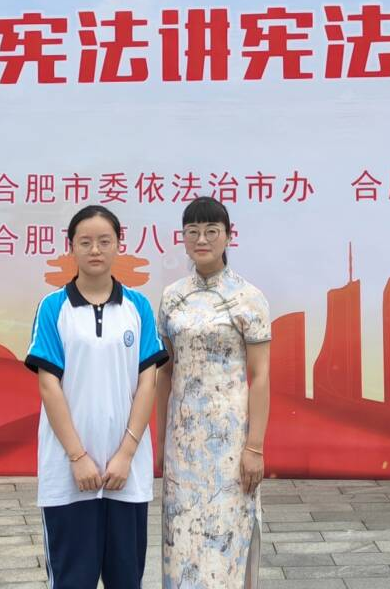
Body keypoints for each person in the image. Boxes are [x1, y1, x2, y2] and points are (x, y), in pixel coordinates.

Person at [24, 205, 168, 589]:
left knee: (126, 580)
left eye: (105, 241)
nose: (95, 250)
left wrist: (125, 455)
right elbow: (49, 386)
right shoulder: (53, 307)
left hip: (126, 474)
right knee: (72, 580)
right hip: (68, 475)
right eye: (85, 242)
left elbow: (148, 383)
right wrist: (78, 457)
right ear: (70, 246)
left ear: (119, 245)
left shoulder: (138, 307)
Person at [156, 196, 270, 588]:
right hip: (182, 444)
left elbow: (261, 376)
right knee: (182, 540)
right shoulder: (172, 297)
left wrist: (254, 447)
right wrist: (162, 440)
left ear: (228, 236)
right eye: (193, 232)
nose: (201, 239)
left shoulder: (248, 298)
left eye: (211, 231)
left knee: (227, 536)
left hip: (230, 444)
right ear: (183, 238)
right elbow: (166, 371)